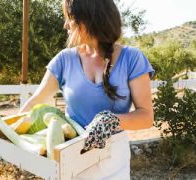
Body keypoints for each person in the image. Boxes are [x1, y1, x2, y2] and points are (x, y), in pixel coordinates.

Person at [19, 0, 155, 179]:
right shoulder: (64, 60)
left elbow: (146, 117)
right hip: (71, 160)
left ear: (88, 19)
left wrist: (112, 121)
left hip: (113, 163)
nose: (65, 24)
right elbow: (35, 102)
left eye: (70, 18)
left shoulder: (132, 59)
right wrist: (5, 137)